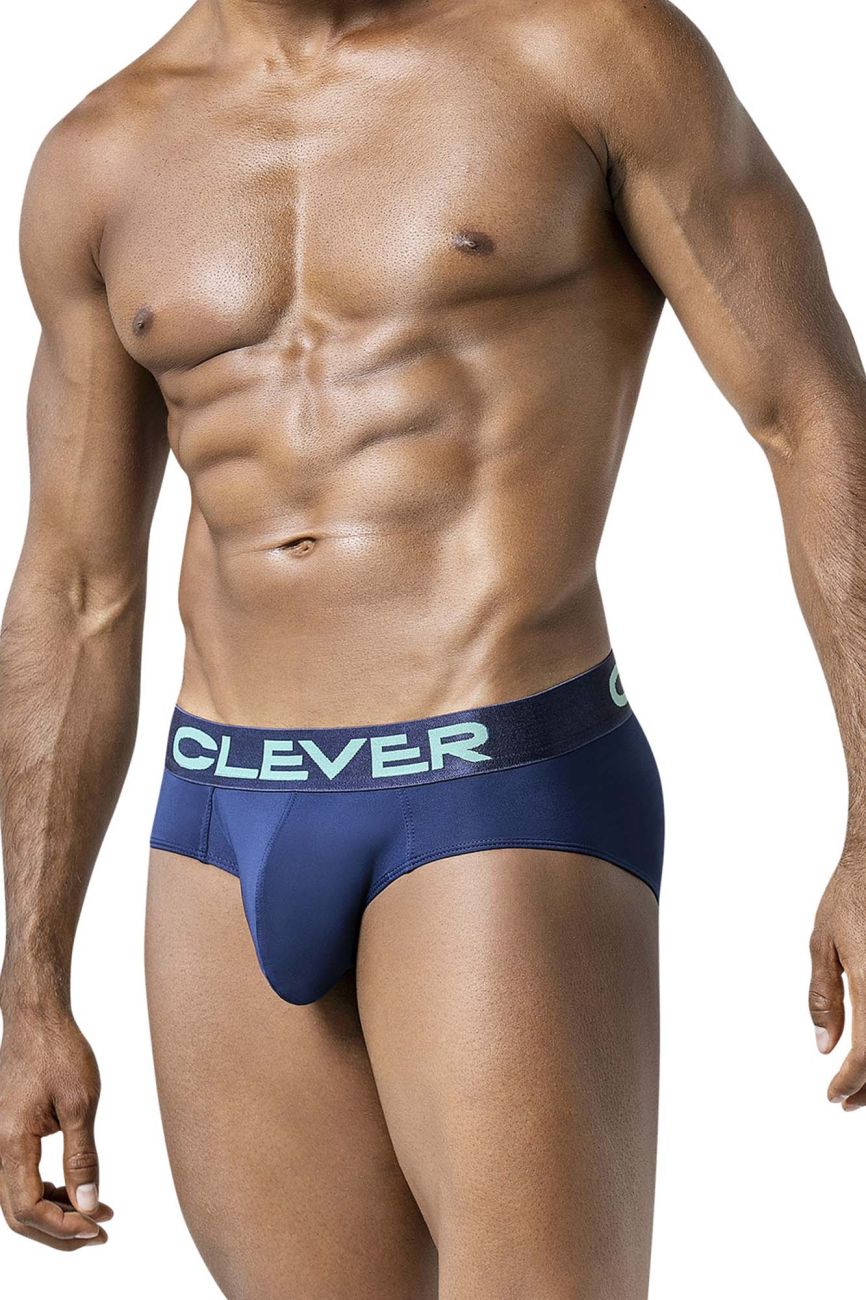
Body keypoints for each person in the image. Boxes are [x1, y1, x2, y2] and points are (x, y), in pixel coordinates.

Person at [0, 1, 864, 1296]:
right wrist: (28, 980)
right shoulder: (101, 156)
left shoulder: (586, 51)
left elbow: (810, 414)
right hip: (218, 816)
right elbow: (74, 586)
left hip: (492, 779)